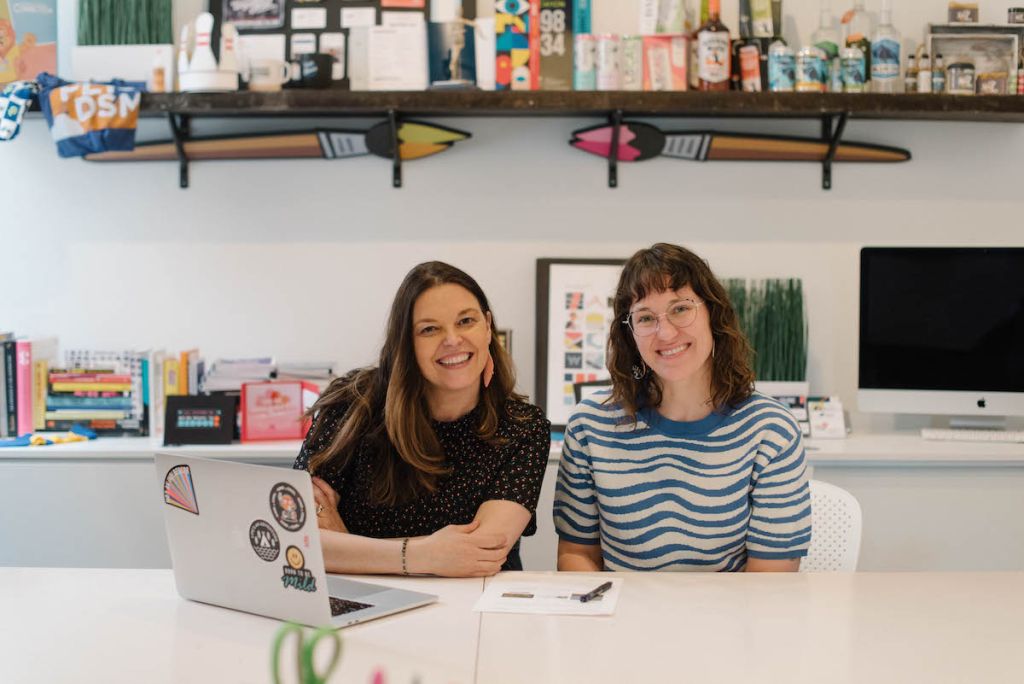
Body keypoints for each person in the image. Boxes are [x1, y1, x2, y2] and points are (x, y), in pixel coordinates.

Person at [554, 243, 811, 572]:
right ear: (630, 333)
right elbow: (577, 554)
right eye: (646, 317)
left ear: (712, 314)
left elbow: (770, 579)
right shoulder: (590, 425)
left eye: (680, 309)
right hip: (622, 620)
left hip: (730, 620)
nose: (666, 332)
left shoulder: (771, 430)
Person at [294, 261, 550, 577]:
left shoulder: (522, 427)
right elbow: (295, 533)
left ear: (487, 326)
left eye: (466, 321)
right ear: (406, 342)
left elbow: (482, 553)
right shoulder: (353, 404)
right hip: (363, 610)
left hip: (476, 609)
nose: (453, 339)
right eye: (429, 329)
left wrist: (348, 547)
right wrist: (423, 556)